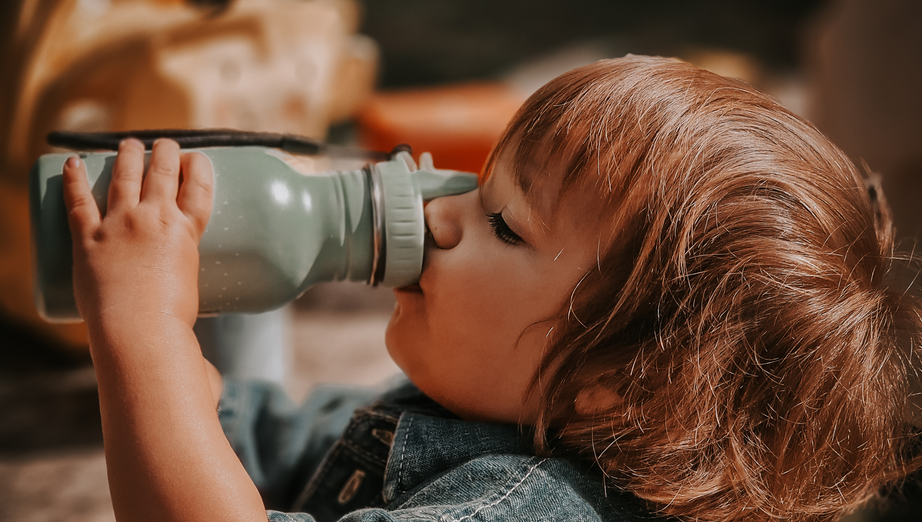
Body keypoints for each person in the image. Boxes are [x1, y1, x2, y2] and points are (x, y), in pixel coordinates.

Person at [61, 55, 922, 522]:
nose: (439, 215)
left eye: (505, 225)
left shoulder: (531, 510)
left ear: (620, 382)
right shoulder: (483, 402)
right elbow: (257, 441)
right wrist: (172, 323)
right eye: (476, 184)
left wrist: (147, 331)